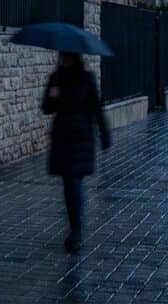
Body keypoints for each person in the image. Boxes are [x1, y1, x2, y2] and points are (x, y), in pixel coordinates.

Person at [42, 51, 111, 252]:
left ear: (74, 57)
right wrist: (54, 93)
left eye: (67, 57)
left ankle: (76, 231)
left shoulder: (86, 78)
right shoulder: (56, 79)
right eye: (62, 57)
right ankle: (75, 228)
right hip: (63, 137)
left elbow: (97, 107)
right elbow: (46, 107)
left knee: (73, 183)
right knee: (69, 184)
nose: (63, 60)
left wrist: (104, 134)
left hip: (81, 138)